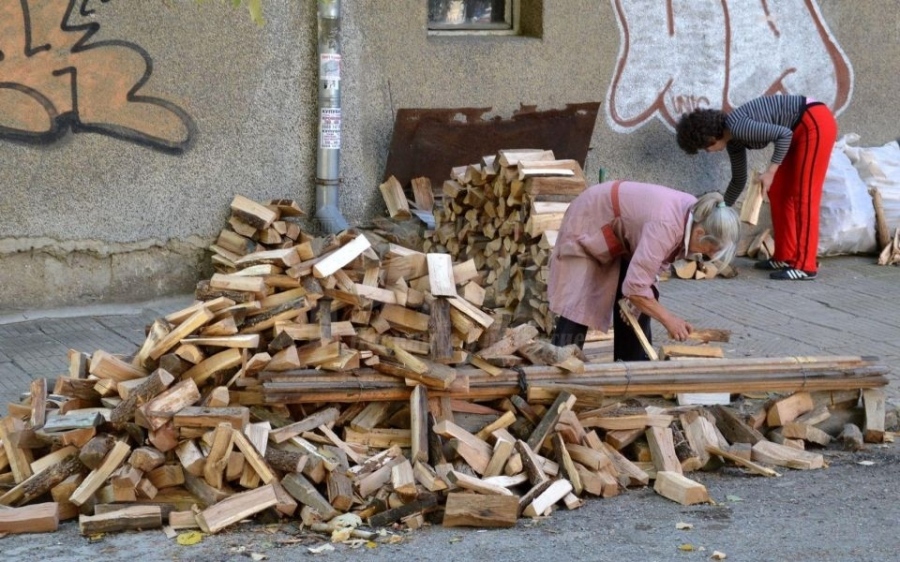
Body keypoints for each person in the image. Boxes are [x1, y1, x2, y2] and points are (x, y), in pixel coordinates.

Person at [548, 180, 740, 361]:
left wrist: (638, 300)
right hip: (589, 218)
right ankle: (559, 366)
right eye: (711, 250)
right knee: (580, 303)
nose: (707, 256)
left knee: (642, 302)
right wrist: (668, 319)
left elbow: (655, 265)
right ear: (700, 234)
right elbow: (635, 287)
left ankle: (632, 366)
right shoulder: (667, 225)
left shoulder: (698, 215)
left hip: (621, 234)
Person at [675, 94, 837, 281]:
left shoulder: (738, 127)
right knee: (777, 192)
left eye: (705, 148)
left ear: (711, 138)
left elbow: (784, 135)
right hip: (798, 129)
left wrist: (770, 172)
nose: (708, 152)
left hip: (814, 122)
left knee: (804, 195)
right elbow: (738, 180)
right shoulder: (733, 140)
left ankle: (805, 266)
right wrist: (720, 209)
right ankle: (784, 256)